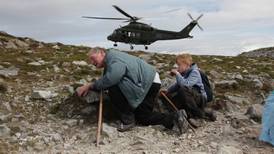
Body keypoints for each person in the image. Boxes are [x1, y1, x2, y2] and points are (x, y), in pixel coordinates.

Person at [77, 47, 188, 133]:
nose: (92, 63)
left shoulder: (113, 58)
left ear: (102, 53)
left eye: (93, 59)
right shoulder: (113, 58)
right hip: (152, 81)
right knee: (144, 117)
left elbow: (113, 77)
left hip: (147, 83)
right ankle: (175, 117)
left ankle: (128, 120)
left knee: (112, 85)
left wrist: (91, 85)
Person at [161, 53, 215, 121]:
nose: (177, 67)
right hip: (192, 97)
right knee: (174, 97)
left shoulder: (194, 72)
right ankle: (202, 112)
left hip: (200, 98)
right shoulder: (185, 73)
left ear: (186, 64)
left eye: (179, 65)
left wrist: (177, 74)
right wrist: (168, 91)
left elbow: (186, 85)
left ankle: (198, 113)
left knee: (183, 89)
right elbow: (177, 85)